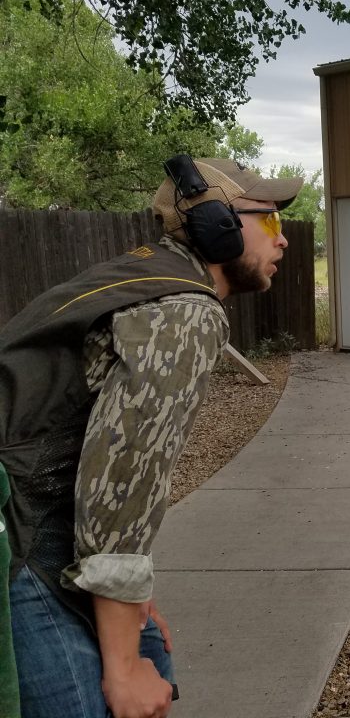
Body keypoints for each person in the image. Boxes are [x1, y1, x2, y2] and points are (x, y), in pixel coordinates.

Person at [0, 157, 301, 718]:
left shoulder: (141, 275)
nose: (282, 238)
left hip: (39, 510)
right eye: (270, 220)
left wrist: (129, 599)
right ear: (220, 224)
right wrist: (120, 664)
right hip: (18, 527)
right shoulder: (183, 311)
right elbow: (121, 480)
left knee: (152, 653)